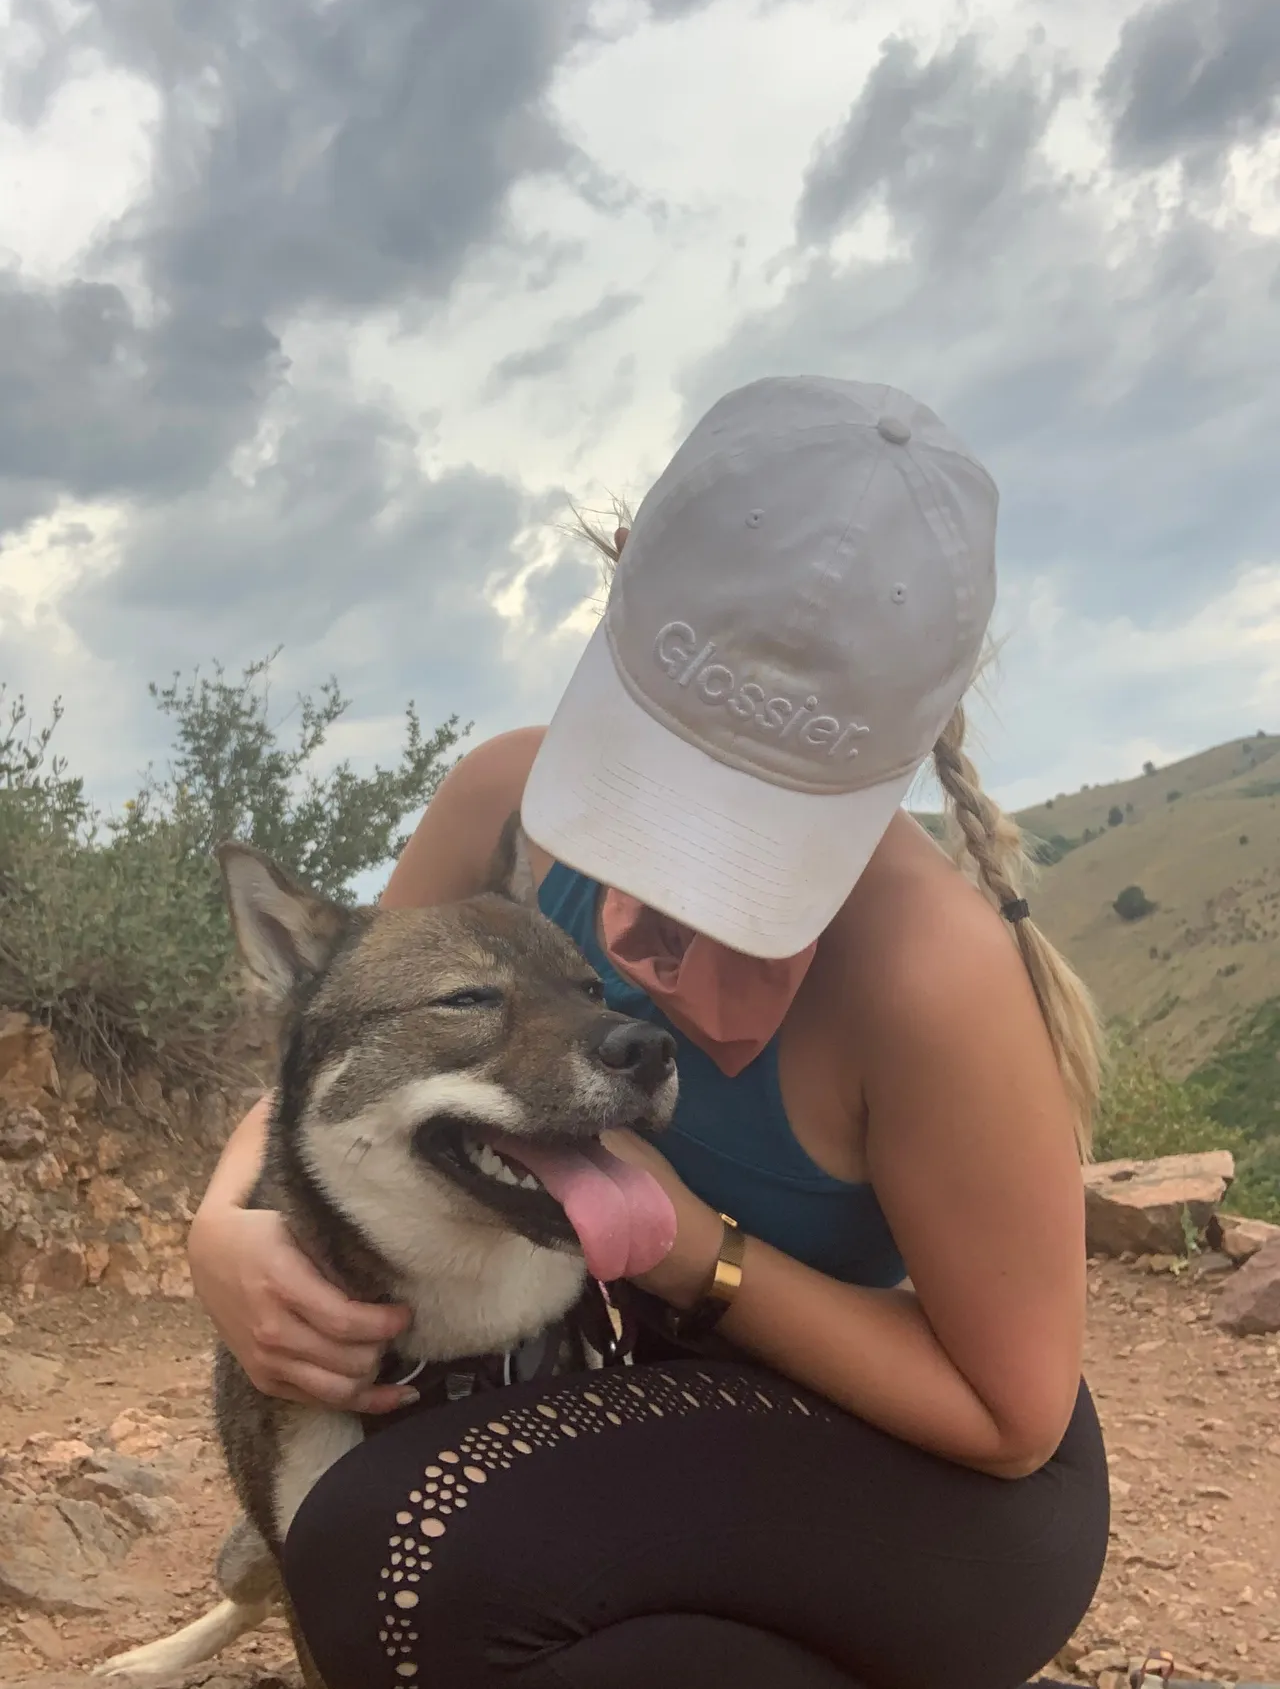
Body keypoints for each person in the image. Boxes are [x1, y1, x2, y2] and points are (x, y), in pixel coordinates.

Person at [189, 376, 1110, 1689]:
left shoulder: (929, 975)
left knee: (397, 1552)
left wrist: (688, 1249)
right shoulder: (505, 800)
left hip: (947, 1486)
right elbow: (343, 1026)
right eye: (654, 796)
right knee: (417, 1584)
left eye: (749, 849)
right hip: (663, 1403)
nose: (661, 921)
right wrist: (222, 1227)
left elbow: (1012, 1418)